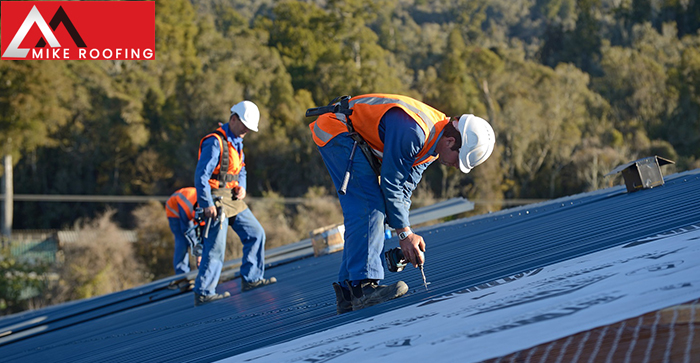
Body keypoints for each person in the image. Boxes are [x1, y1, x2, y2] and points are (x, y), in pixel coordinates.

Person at [309, 93, 495, 314]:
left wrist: (407, 233)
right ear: (451, 141)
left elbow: (403, 191)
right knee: (368, 203)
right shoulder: (414, 131)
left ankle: (348, 293)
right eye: (458, 159)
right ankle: (362, 288)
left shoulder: (432, 148)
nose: (456, 166)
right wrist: (404, 234)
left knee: (370, 205)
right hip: (336, 128)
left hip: (349, 133)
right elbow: (391, 185)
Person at [193, 100, 276, 307]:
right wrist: (206, 203)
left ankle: (251, 278)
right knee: (215, 248)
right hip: (216, 199)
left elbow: (242, 170)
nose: (247, 130)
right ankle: (204, 292)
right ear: (233, 119)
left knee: (256, 233)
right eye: (245, 125)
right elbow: (201, 176)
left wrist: (242, 186)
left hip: (233, 197)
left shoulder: (238, 142)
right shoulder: (215, 142)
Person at [165, 187, 201, 275]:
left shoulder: (206, 204)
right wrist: (198, 254)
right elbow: (188, 232)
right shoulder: (187, 207)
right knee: (182, 240)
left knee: (197, 239)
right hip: (174, 212)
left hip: (189, 211)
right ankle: (182, 273)